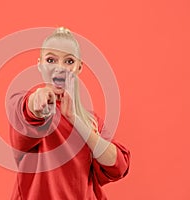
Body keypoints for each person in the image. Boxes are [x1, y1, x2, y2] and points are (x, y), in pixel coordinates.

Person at [7, 27, 130, 200]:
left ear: (79, 68)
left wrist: (76, 119)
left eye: (69, 61)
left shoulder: (92, 121)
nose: (60, 68)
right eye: (51, 60)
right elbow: (29, 111)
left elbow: (119, 166)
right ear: (40, 64)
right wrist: (38, 102)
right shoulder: (22, 103)